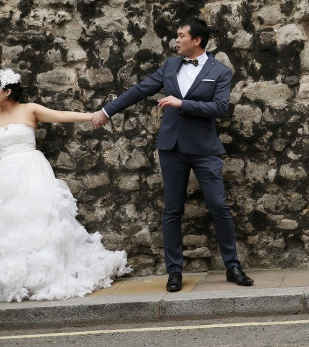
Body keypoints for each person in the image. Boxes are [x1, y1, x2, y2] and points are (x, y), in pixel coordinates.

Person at [0, 68, 131, 304]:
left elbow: (60, 115)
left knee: (42, 221)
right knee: (14, 227)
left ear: (8, 91)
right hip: (8, 177)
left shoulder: (30, 110)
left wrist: (92, 116)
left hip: (33, 170)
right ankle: (23, 279)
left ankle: (49, 275)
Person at [91, 17, 253, 292]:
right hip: (172, 148)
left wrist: (182, 103)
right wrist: (107, 111)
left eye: (180, 35)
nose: (176, 40)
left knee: (219, 206)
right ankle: (174, 272)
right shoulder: (169, 65)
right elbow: (140, 90)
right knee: (172, 210)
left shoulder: (220, 71)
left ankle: (232, 265)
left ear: (196, 40)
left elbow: (219, 108)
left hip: (205, 150)